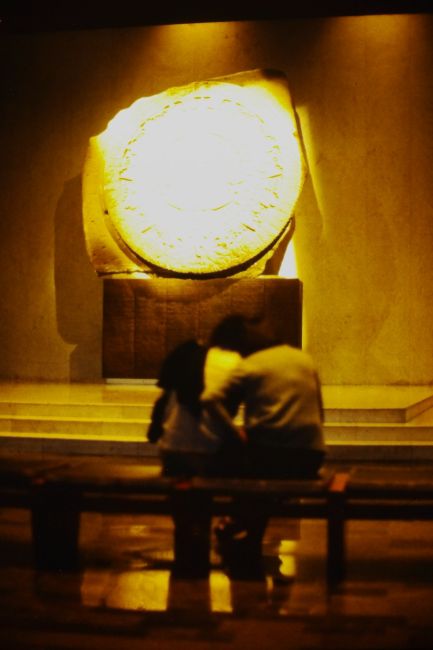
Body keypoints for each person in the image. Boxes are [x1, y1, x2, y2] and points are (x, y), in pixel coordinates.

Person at [201, 314, 327, 577]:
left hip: (269, 456)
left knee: (240, 466)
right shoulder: (304, 359)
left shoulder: (251, 365)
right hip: (311, 456)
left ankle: (237, 524)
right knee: (259, 478)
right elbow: (321, 412)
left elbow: (210, 399)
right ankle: (243, 530)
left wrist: (235, 431)